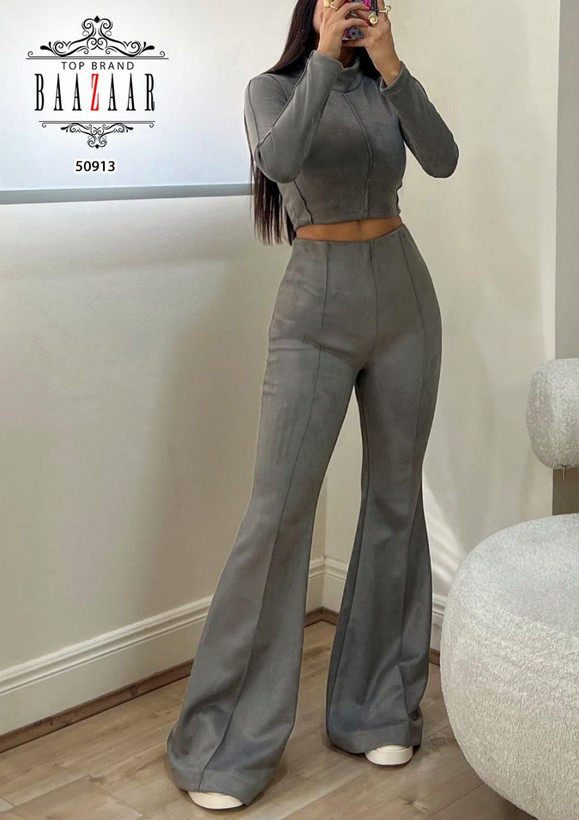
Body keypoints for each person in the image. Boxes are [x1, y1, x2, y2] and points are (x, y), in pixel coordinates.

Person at [166, 0, 459, 809]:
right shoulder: (272, 89)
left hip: (403, 296)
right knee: (279, 512)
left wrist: (392, 69)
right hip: (314, 308)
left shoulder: (385, 85)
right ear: (313, 9)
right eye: (338, 0)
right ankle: (223, 745)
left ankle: (378, 708)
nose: (355, 9)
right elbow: (281, 160)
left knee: (394, 499)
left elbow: (441, 159)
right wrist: (325, 62)